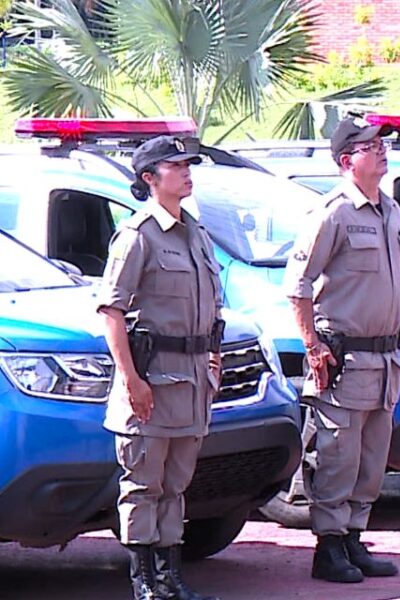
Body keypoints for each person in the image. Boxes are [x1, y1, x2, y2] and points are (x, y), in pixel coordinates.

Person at [98, 135, 222, 600]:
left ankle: (171, 580)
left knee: (176, 487)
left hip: (191, 384)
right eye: (176, 166)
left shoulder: (196, 231)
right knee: (143, 487)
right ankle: (144, 582)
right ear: (150, 178)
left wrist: (215, 355)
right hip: (152, 383)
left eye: (189, 164)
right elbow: (111, 312)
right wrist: (132, 380)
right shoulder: (138, 236)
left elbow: (211, 306)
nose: (187, 172)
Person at [285, 117, 400, 583]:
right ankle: (329, 545)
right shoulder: (332, 213)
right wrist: (312, 345)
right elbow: (297, 286)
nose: (381, 152)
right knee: (338, 455)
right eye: (369, 146)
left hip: (385, 358)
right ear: (346, 160)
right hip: (346, 358)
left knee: (372, 458)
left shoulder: (391, 211)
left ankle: (355, 537)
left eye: (382, 145)